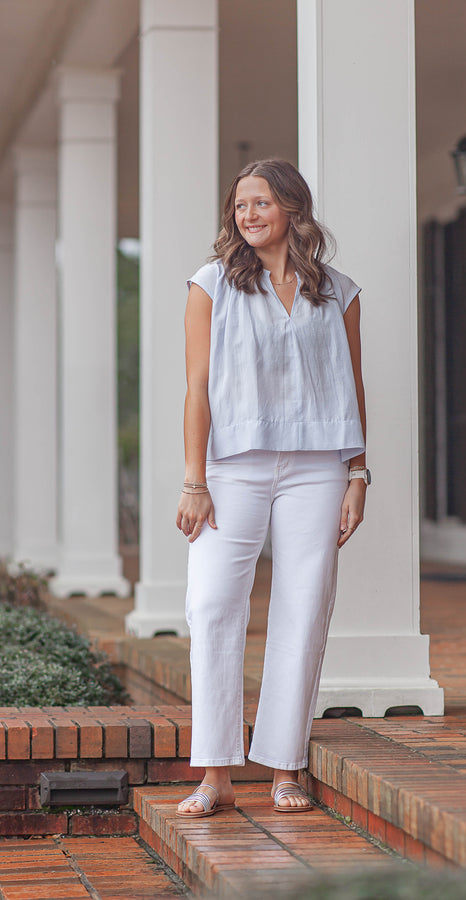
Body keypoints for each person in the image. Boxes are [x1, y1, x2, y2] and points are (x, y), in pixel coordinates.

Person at [175, 158, 369, 817]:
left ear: (292, 208)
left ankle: (286, 767)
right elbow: (196, 388)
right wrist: (194, 480)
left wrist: (357, 471)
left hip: (318, 465)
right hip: (233, 466)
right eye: (240, 206)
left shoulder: (337, 291)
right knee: (211, 605)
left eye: (261, 203)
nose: (249, 215)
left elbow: (352, 383)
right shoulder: (212, 285)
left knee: (305, 605)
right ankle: (216, 774)